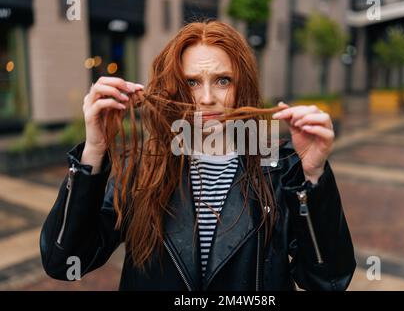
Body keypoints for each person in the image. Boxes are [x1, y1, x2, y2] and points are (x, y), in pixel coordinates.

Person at [40, 20, 356, 291]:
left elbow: (329, 281)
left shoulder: (282, 167)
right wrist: (94, 150)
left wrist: (314, 177)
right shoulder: (143, 169)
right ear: (173, 89)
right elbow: (66, 262)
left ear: (241, 86)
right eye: (191, 82)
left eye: (222, 80)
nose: (206, 99)